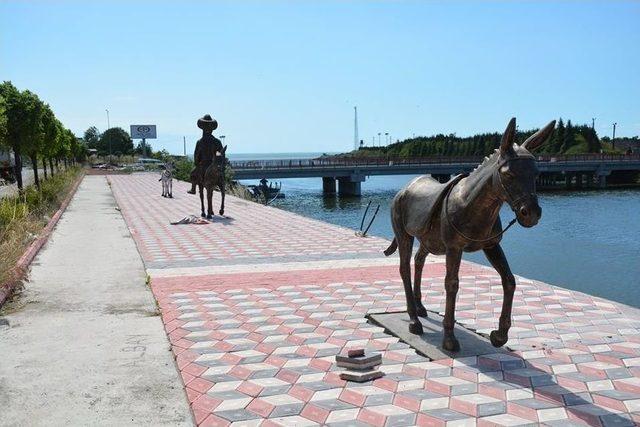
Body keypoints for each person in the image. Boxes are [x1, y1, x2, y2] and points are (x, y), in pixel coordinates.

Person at [188, 114, 223, 194]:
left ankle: (193, 189)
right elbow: (220, 155)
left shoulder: (200, 142)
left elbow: (196, 157)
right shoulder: (217, 141)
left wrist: (197, 163)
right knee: (220, 174)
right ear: (212, 129)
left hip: (203, 165)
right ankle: (220, 186)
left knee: (193, 174)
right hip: (213, 165)